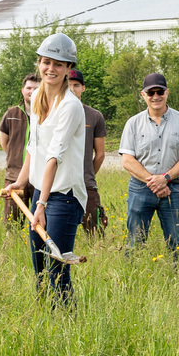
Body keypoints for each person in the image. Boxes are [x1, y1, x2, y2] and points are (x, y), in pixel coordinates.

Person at [5, 33, 88, 304]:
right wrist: (20, 182)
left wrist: (40, 205)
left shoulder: (71, 106)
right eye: (46, 62)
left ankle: (67, 323)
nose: (51, 68)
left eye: (58, 64)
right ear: (39, 63)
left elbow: (54, 157)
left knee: (58, 270)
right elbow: (34, 146)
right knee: (39, 267)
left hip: (63, 197)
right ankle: (46, 323)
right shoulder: (38, 95)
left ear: (67, 69)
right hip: (42, 192)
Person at [119, 72, 179, 258]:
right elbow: (127, 161)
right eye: (151, 92)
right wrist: (155, 182)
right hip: (141, 189)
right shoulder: (133, 124)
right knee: (135, 243)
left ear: (167, 92)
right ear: (143, 95)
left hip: (174, 189)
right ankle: (131, 280)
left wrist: (166, 178)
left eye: (160, 91)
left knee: (177, 244)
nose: (156, 96)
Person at [67, 69, 109, 234]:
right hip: (57, 184)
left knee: (95, 231)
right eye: (68, 85)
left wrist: (87, 174)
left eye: (76, 85)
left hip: (86, 183)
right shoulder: (52, 113)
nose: (72, 89)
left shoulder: (94, 116)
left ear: (83, 88)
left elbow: (100, 154)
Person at [0, 75, 38, 229]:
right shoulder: (11, 113)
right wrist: (16, 159)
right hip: (14, 176)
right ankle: (11, 250)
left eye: (36, 88)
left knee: (40, 221)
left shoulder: (47, 115)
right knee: (12, 224)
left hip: (38, 177)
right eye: (29, 88)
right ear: (22, 90)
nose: (32, 91)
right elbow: (4, 142)